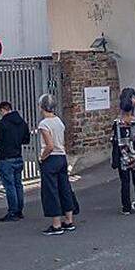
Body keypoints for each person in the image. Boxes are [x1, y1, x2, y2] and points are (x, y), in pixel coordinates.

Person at [36, 94, 76, 236]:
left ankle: (56, 224)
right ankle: (69, 220)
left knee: (51, 191)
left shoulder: (44, 124)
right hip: (62, 157)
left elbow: (50, 145)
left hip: (51, 159)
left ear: (41, 107)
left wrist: (42, 157)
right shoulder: (59, 121)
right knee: (64, 188)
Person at [0, 100, 31, 222]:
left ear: (3, 110)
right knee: (18, 184)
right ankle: (19, 210)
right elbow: (26, 139)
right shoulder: (22, 123)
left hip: (5, 158)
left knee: (9, 186)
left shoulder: (2, 123)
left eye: (1, 112)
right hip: (18, 156)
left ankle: (12, 212)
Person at [110, 102, 135, 214]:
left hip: (123, 156)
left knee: (125, 183)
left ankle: (126, 207)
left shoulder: (117, 123)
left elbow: (113, 138)